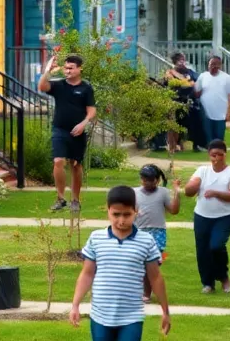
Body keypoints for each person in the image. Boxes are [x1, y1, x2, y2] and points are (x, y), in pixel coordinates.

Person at [71, 185, 172, 341]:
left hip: (131, 316)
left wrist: (165, 311)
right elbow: (87, 273)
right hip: (100, 315)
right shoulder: (96, 238)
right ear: (108, 211)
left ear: (136, 210)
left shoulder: (146, 241)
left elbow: (155, 278)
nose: (121, 220)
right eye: (116, 214)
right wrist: (75, 305)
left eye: (127, 214)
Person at [37, 53, 97, 213]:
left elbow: (91, 111)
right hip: (59, 129)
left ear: (79, 69)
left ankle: (75, 200)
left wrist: (83, 124)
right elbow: (42, 87)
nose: (67, 71)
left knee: (75, 165)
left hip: (77, 132)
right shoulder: (59, 85)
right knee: (58, 161)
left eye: (71, 68)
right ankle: (60, 198)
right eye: (66, 68)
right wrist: (47, 71)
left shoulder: (86, 88)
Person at [184, 139, 230, 294]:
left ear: (225, 154)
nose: (216, 158)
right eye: (213, 155)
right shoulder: (202, 171)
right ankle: (208, 283)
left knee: (216, 246)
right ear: (209, 155)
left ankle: (223, 277)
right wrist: (191, 186)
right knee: (202, 250)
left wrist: (216, 193)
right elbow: (189, 191)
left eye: (220, 155)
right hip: (202, 216)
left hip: (225, 216)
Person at [135, 165, 181, 301]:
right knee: (142, 265)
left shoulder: (163, 193)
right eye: (145, 180)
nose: (148, 183)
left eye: (151, 180)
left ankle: (146, 294)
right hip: (140, 232)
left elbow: (174, 210)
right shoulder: (134, 193)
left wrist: (177, 193)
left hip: (158, 233)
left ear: (157, 180)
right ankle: (145, 293)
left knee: (152, 264)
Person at [194, 56, 230, 145]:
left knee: (219, 136)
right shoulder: (203, 76)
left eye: (217, 64)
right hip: (206, 111)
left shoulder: (226, 78)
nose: (214, 66)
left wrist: (228, 112)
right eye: (212, 64)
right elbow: (197, 92)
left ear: (220, 66)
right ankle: (209, 151)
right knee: (208, 136)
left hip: (220, 113)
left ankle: (219, 151)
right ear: (208, 65)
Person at [162, 54, 197, 153]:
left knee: (180, 124)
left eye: (183, 60)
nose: (182, 62)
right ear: (175, 62)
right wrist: (184, 82)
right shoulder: (169, 73)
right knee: (172, 124)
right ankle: (171, 146)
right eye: (180, 60)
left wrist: (185, 82)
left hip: (184, 101)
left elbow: (192, 83)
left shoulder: (187, 73)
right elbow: (171, 82)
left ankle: (178, 144)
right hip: (172, 100)